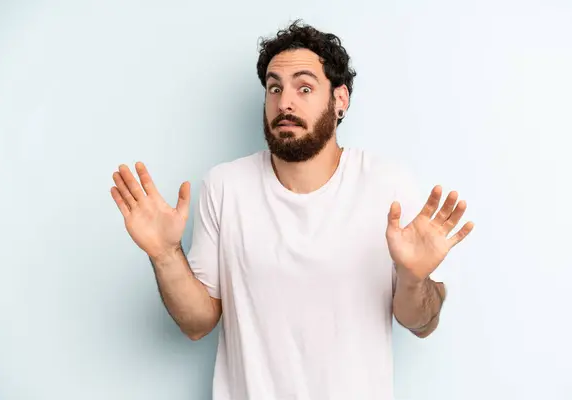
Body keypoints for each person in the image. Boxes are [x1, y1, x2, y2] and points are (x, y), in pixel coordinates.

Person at [110, 20, 474, 400]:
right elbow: (197, 323)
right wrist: (166, 255)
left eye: (304, 88)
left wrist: (414, 277)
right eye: (274, 88)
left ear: (340, 100)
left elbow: (421, 323)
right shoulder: (225, 186)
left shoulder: (387, 186)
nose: (284, 102)